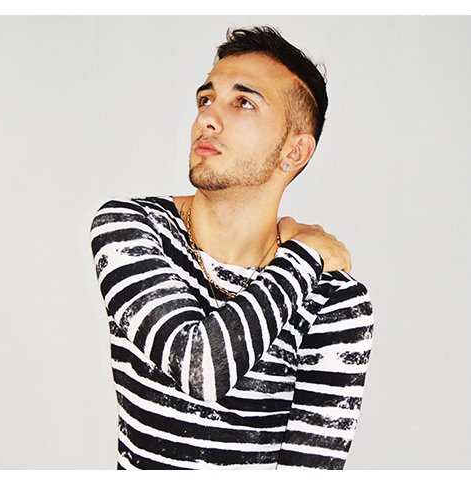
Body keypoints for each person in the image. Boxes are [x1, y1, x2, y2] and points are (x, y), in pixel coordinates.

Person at [90, 26, 373, 470]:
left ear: (294, 152)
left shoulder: (335, 300)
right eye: (206, 99)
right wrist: (305, 257)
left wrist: (302, 260)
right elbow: (198, 368)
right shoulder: (133, 227)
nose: (208, 118)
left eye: (243, 103)